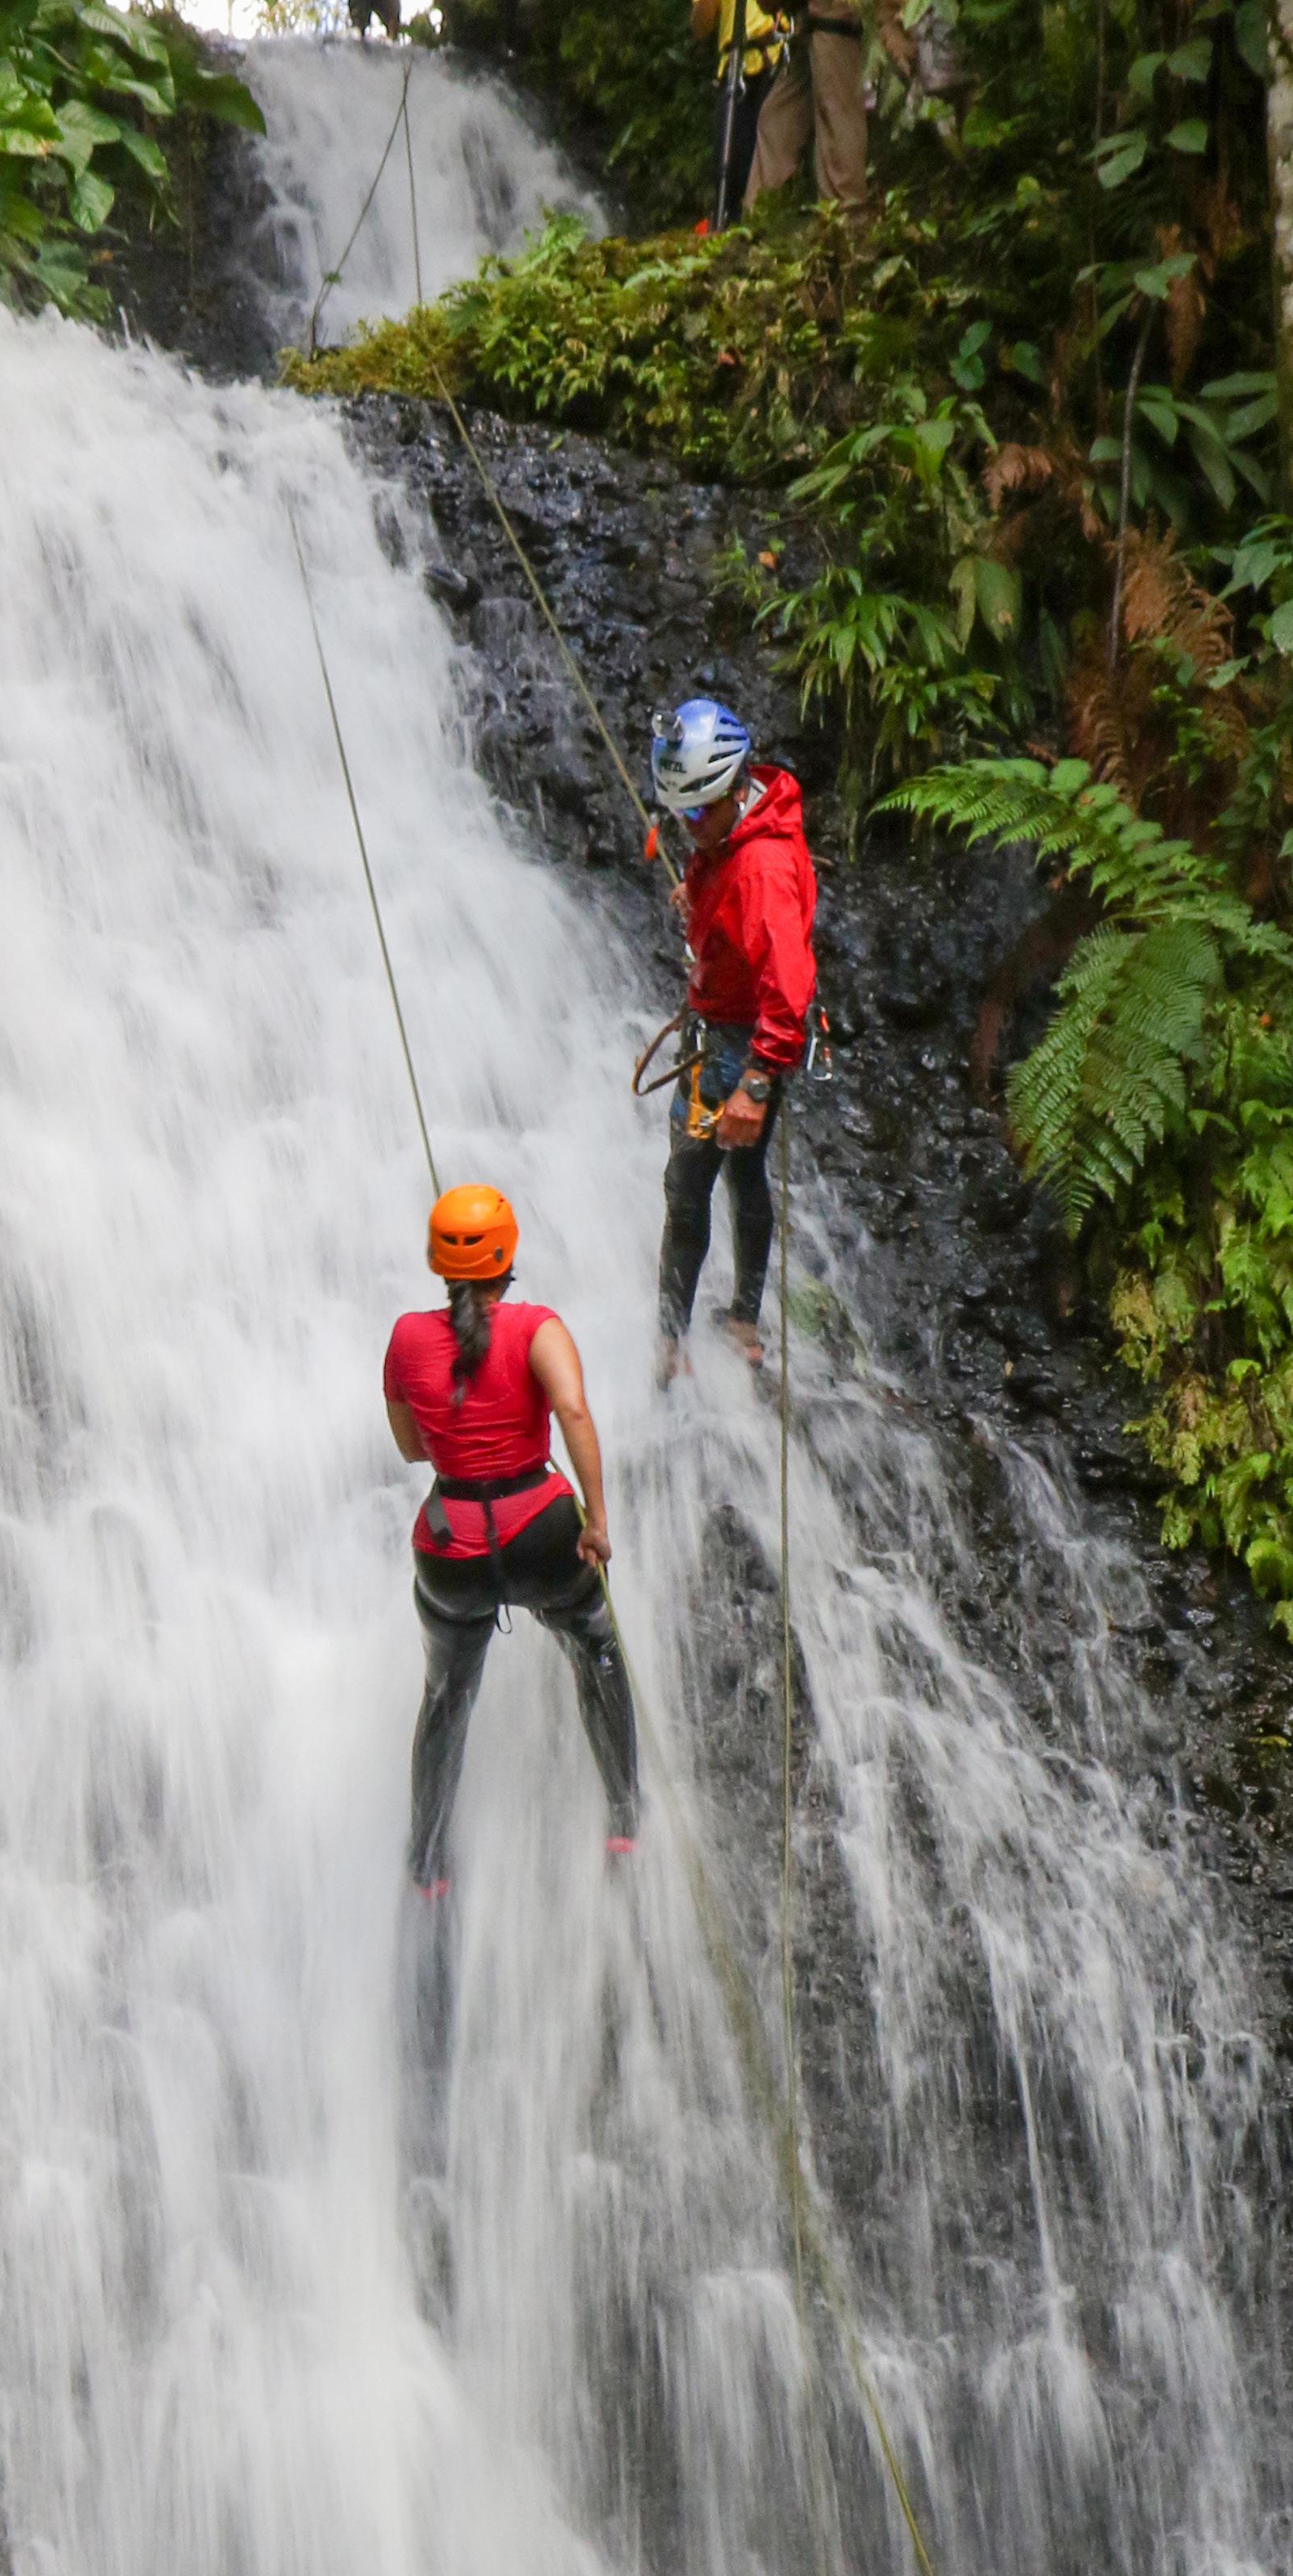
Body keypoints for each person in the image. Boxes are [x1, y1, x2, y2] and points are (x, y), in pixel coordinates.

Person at [385, 1185, 640, 1892]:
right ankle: (623, 1819)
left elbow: (411, 1448)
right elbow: (574, 1412)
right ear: (509, 1255)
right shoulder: (538, 1328)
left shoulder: (407, 1338)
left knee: (445, 1696)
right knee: (596, 1648)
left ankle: (428, 1862)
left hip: (451, 1550)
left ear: (439, 1261)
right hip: (543, 1533)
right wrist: (596, 1520)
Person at [649, 694, 816, 1375]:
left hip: (739, 1043)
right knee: (747, 1176)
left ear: (730, 788)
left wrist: (754, 1080)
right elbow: (731, 882)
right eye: (677, 813)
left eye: (695, 812)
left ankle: (669, 1343)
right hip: (742, 1029)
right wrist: (703, 897)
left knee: (687, 1182)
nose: (687, 826)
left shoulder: (760, 869)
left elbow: (788, 983)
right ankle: (743, 1321)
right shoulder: (744, 829)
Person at [747, 0, 922, 221]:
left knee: (837, 116)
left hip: (837, 14)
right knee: (777, 118)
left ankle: (847, 222)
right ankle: (760, 215)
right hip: (812, 18)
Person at [690, 0, 788, 230]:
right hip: (734, 66)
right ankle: (731, 229)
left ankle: (766, 228)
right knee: (728, 166)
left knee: (771, 160)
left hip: (776, 58)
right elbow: (700, 29)